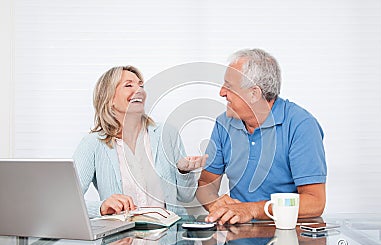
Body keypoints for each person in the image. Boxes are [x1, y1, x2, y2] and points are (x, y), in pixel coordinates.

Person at [196, 48, 327, 224]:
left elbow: (314, 202)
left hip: (286, 239)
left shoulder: (301, 125)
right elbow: (205, 184)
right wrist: (215, 202)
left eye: (229, 86)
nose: (221, 92)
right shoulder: (223, 124)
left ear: (254, 94)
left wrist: (253, 209)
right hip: (237, 238)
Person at [73, 65, 207, 218]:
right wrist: (101, 207)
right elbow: (67, 200)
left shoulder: (166, 134)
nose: (139, 90)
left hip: (169, 235)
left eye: (141, 85)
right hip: (122, 238)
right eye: (129, 85)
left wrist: (184, 172)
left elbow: (187, 197)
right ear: (109, 98)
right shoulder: (93, 143)